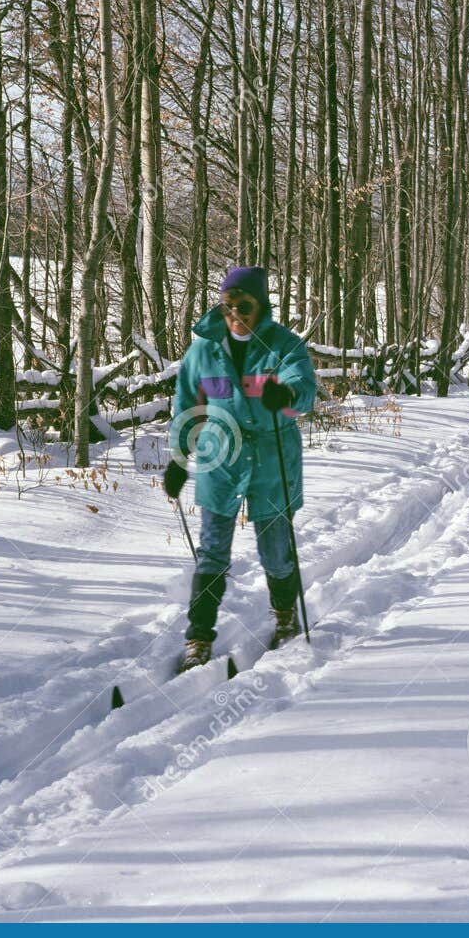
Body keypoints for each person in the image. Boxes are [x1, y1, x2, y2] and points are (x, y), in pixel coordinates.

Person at [162, 265, 317, 672]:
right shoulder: (203, 351)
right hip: (221, 460)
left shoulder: (282, 345)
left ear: (260, 304)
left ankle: (285, 617)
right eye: (227, 305)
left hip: (272, 460)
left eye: (243, 305)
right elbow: (188, 408)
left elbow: (303, 391)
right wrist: (178, 459)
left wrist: (285, 393)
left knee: (276, 555)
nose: (235, 314)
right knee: (212, 553)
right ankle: (198, 637)